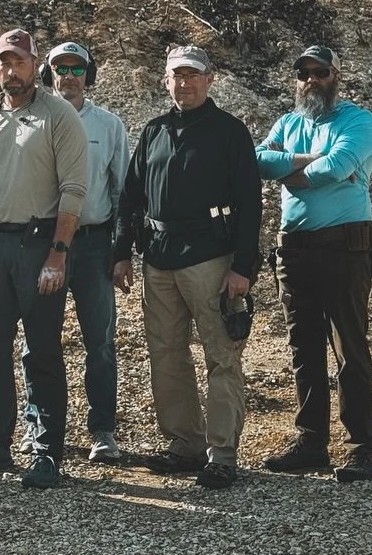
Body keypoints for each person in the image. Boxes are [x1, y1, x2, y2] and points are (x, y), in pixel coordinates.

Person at [112, 45, 261, 490]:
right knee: (166, 354)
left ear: (211, 79)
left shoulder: (230, 132)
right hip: (158, 260)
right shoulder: (154, 131)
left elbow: (251, 205)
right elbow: (130, 198)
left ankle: (222, 454)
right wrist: (121, 252)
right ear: (166, 81)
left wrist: (243, 267)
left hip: (211, 260)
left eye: (193, 74)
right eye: (177, 75)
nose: (185, 83)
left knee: (220, 356)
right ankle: (184, 446)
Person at [0, 29, 87, 489]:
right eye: (4, 61)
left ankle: (47, 451)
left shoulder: (58, 115)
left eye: (20, 61)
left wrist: (58, 253)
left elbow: (74, 189)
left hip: (38, 244)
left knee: (42, 350)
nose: (12, 69)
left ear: (35, 65)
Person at [256, 45, 372, 483]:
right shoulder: (288, 122)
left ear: (336, 76)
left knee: (349, 347)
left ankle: (359, 449)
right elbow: (256, 160)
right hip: (293, 249)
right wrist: (307, 162)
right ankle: (312, 443)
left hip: (344, 248)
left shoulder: (359, 121)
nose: (311, 79)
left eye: (320, 71)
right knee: (303, 347)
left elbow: (340, 167)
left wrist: (287, 170)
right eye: (303, 72)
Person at [35, 40, 129, 465]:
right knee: (38, 342)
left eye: (77, 69)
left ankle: (102, 431)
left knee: (100, 342)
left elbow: (122, 193)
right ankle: (38, 428)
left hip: (93, 245)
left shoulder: (109, 126)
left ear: (88, 76)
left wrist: (122, 250)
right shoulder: (32, 120)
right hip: (41, 243)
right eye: (61, 68)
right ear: (48, 73)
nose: (68, 76)